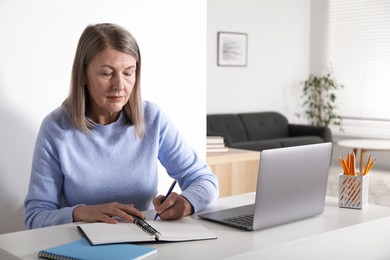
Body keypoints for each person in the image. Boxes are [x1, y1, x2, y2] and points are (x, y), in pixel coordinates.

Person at [24, 23, 218, 229]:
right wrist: (81, 212)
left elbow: (204, 180)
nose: (119, 86)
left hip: (144, 239)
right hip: (81, 244)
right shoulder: (56, 128)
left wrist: (188, 203)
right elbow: (35, 217)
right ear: (83, 75)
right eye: (107, 73)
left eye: (128, 73)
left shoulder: (152, 118)